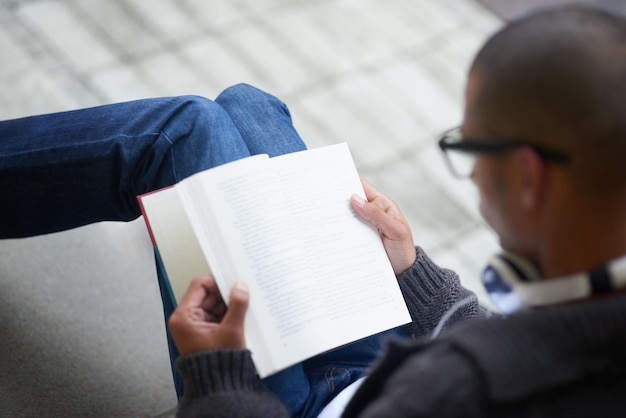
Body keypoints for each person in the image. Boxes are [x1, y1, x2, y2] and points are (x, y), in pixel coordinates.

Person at [167, 5, 626, 418]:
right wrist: (411, 270)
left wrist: (218, 379)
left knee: (194, 127)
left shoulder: (459, 389)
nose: (472, 175)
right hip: (383, 360)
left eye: (469, 148)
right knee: (247, 104)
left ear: (528, 177)